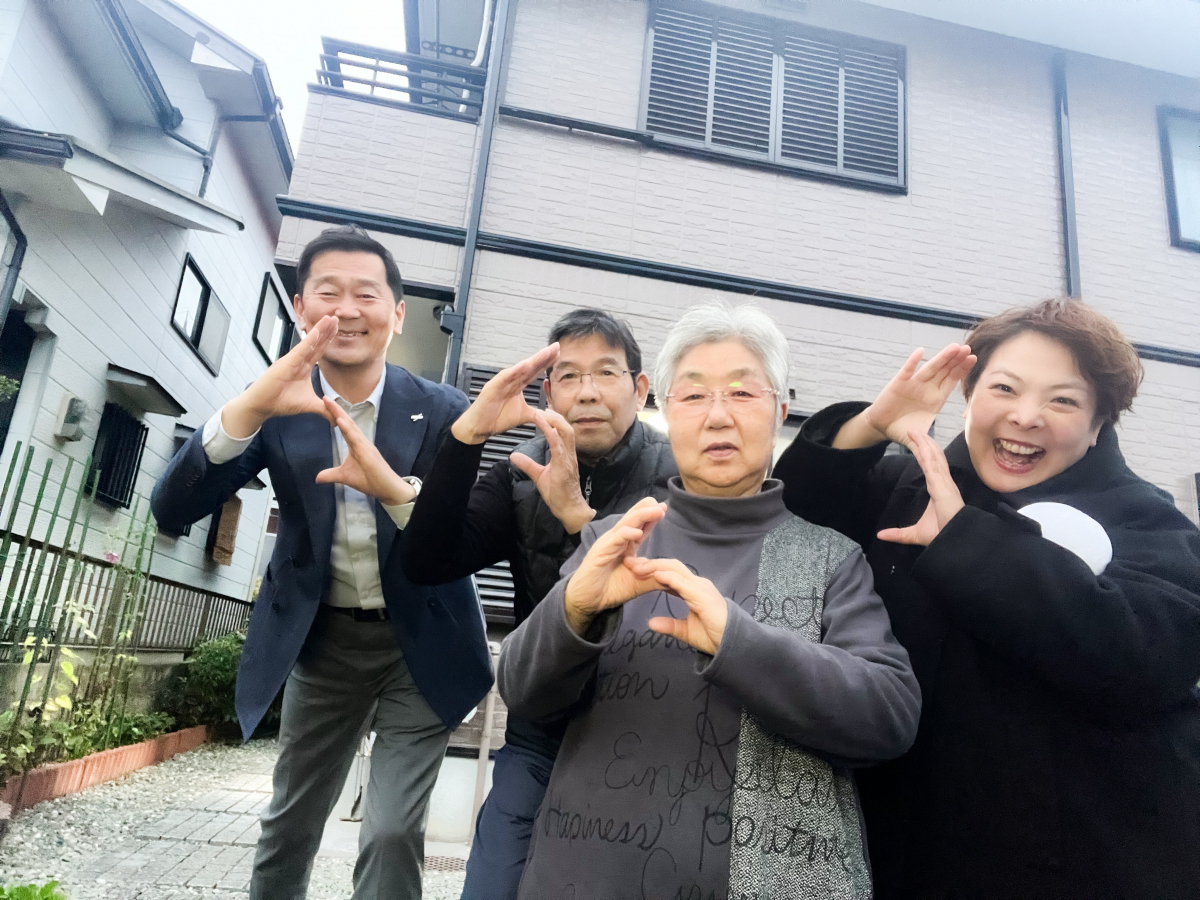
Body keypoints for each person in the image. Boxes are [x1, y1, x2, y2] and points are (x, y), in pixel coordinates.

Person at [774, 297, 1200, 899]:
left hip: (1077, 865)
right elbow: (796, 513)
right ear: (969, 397)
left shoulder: (1144, 519)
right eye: (1004, 388)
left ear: (1100, 422)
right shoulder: (906, 487)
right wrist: (871, 425)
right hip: (897, 851)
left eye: (1063, 400)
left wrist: (963, 541)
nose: (1026, 417)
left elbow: (1146, 651)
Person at [497, 303, 920, 899]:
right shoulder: (614, 540)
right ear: (664, 410)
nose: (718, 416)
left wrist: (737, 640)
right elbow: (522, 692)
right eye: (693, 397)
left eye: (743, 394)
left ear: (780, 409)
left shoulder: (829, 557)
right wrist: (574, 612)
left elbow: (890, 717)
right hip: (585, 874)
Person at [151, 225, 492, 899]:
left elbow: (463, 536)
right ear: (302, 310)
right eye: (327, 293)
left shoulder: (446, 411)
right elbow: (172, 509)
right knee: (290, 820)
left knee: (393, 829)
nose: (347, 310)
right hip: (323, 640)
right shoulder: (276, 408)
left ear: (397, 314)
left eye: (367, 294)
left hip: (420, 641)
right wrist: (248, 407)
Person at [398, 308, 676, 900]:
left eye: (607, 373)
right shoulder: (522, 472)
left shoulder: (678, 476)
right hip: (541, 725)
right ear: (547, 391)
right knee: (494, 882)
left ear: (640, 388)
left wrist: (580, 516)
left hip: (648, 731)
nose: (588, 393)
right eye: (569, 377)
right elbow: (426, 562)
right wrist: (468, 435)